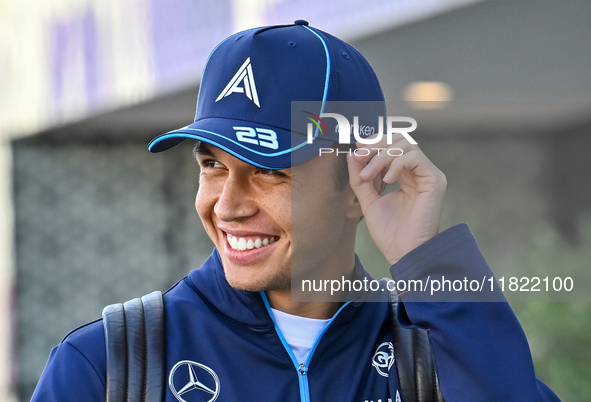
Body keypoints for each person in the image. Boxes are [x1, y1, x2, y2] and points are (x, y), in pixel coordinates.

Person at [32, 20, 560, 401]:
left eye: (269, 171)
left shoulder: (437, 355)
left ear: (358, 186)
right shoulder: (109, 364)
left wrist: (426, 261)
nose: (228, 205)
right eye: (213, 166)